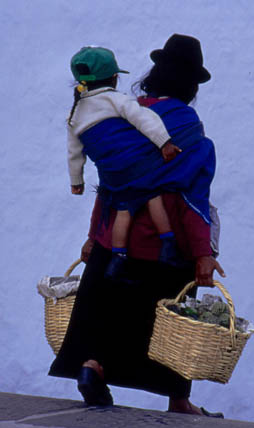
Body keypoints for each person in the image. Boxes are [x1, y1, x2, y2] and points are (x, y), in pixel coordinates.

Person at [50, 34, 225, 416]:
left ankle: (92, 366)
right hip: (162, 247)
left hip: (114, 236)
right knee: (169, 323)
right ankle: (178, 400)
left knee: (108, 311)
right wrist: (202, 254)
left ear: (153, 75)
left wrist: (93, 237)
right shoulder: (185, 123)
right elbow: (192, 194)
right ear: (191, 85)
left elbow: (111, 179)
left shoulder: (119, 111)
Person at [67, 46, 185, 280]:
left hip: (113, 175)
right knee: (153, 197)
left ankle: (118, 258)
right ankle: (168, 242)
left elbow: (74, 154)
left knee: (123, 210)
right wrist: (164, 143)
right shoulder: (114, 99)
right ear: (114, 78)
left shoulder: (74, 115)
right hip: (137, 165)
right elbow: (144, 118)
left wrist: (76, 182)